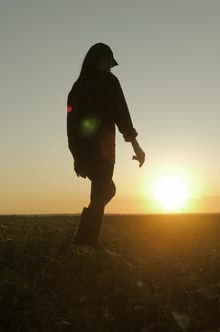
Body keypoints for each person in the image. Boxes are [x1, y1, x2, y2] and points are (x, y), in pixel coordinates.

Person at [67, 42, 145, 247]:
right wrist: (135, 145)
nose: (110, 67)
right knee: (103, 191)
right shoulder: (109, 82)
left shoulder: (76, 88)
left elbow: (71, 124)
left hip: (83, 151)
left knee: (103, 191)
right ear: (101, 60)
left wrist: (76, 155)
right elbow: (122, 115)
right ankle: (85, 242)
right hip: (103, 148)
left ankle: (84, 239)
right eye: (110, 62)